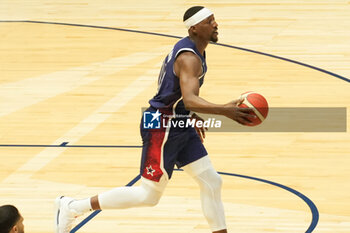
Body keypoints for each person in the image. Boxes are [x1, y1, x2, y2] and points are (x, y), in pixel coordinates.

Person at [54, 6, 254, 233]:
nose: (216, 24)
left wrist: (189, 115)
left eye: (214, 20)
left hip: (177, 122)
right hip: (162, 126)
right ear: (195, 28)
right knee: (148, 195)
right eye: (210, 21)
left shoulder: (191, 48)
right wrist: (224, 110)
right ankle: (72, 206)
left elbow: (178, 95)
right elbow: (189, 99)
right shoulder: (189, 58)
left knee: (211, 181)